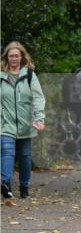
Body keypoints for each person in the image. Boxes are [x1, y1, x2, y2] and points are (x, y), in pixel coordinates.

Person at [1, 42, 45, 200]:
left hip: (26, 124)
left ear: (22, 57)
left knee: (25, 156)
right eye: (11, 56)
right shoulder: (1, 76)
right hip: (5, 124)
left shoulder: (29, 75)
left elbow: (38, 97)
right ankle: (5, 184)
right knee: (7, 152)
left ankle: (24, 187)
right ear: (6, 57)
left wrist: (39, 118)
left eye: (16, 56)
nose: (13, 58)